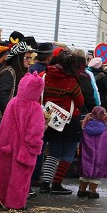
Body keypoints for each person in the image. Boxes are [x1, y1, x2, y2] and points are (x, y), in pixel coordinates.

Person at [0, 73, 45, 211]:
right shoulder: (35, 108)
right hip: (24, 149)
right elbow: (34, 133)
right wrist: (35, 148)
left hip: (6, 146)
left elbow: (4, 126)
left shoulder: (12, 102)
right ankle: (15, 204)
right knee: (20, 178)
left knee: (3, 175)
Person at [40, 50, 85, 194]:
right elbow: (80, 101)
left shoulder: (45, 76)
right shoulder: (71, 81)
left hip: (50, 119)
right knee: (68, 153)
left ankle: (45, 184)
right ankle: (57, 184)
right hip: (68, 121)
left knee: (53, 152)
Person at [78, 106, 107, 199]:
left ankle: (81, 190)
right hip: (99, 156)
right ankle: (92, 191)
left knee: (85, 171)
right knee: (96, 173)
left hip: (87, 155)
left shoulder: (85, 126)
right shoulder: (105, 129)